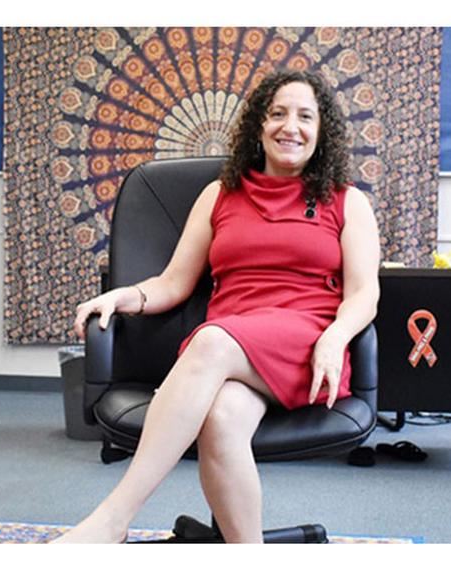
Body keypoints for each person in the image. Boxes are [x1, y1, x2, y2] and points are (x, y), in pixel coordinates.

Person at [54, 68, 380, 544]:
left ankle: (112, 519)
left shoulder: (347, 202)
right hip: (234, 349)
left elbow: (364, 293)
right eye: (278, 114)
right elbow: (173, 283)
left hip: (306, 343)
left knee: (209, 340)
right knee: (222, 422)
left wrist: (334, 338)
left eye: (305, 117)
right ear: (259, 126)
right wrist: (125, 296)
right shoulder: (219, 195)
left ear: (321, 131)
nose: (291, 127)